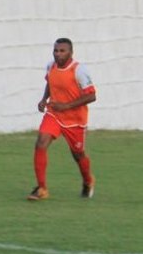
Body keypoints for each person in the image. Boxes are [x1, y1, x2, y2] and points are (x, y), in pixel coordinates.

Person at [27, 38, 96, 201]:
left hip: (75, 120)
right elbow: (50, 83)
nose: (58, 54)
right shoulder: (51, 66)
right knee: (41, 142)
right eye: (56, 51)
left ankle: (88, 181)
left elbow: (92, 96)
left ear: (71, 53)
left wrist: (66, 106)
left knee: (78, 155)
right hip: (54, 114)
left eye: (62, 51)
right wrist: (44, 99)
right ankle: (42, 188)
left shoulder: (79, 70)